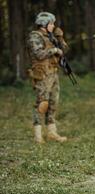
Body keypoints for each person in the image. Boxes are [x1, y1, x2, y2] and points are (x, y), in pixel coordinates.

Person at [27, 12, 68, 143]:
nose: (53, 26)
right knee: (41, 104)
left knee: (53, 103)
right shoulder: (35, 36)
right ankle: (38, 136)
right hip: (42, 74)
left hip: (53, 73)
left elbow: (64, 50)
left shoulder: (51, 37)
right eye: (51, 23)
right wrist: (54, 50)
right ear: (44, 24)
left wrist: (60, 39)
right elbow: (39, 54)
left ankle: (52, 133)